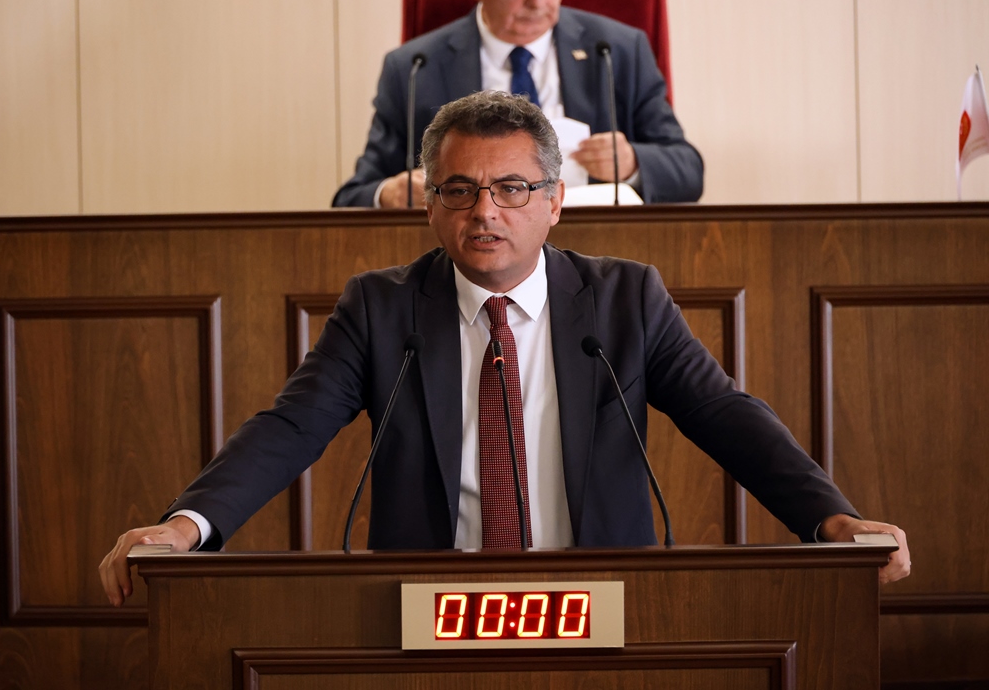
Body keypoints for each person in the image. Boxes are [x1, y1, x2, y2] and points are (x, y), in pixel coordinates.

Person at [101, 91, 908, 607]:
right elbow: (290, 427)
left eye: (512, 188)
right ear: (430, 206)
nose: (484, 211)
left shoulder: (626, 299)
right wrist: (186, 526)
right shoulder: (381, 309)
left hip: (601, 601)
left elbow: (725, 415)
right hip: (431, 608)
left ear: (554, 202)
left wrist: (830, 518)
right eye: (458, 190)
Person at [332, 0, 703, 208]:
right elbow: (353, 196)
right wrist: (390, 194)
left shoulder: (618, 50)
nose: (537, 1)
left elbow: (688, 171)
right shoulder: (415, 66)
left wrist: (632, 162)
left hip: (595, 251)